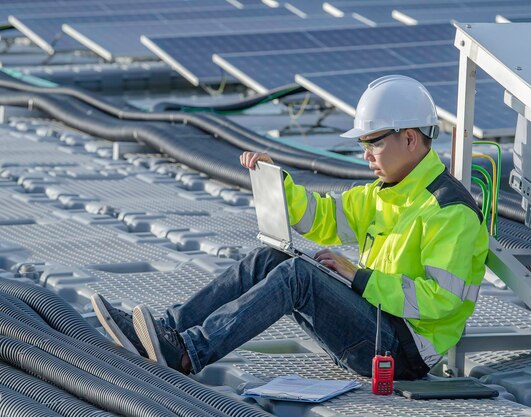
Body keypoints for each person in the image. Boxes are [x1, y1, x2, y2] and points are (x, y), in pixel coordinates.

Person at [92, 75, 489, 379]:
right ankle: (165, 333)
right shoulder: (386, 192)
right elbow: (325, 220)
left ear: (409, 138)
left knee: (298, 276)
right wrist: (277, 185)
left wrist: (359, 277)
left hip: (403, 351)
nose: (366, 154)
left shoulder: (449, 211)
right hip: (377, 322)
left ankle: (188, 353)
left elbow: (440, 301)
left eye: (374, 143)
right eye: (363, 144)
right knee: (271, 257)